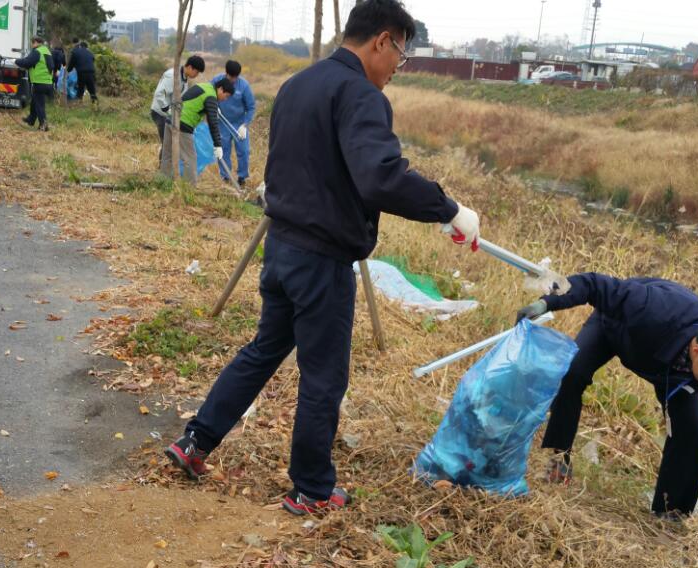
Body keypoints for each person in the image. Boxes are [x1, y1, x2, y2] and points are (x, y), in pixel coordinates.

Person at [165, 0, 482, 516]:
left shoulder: (298, 84)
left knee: (263, 350)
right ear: (382, 40)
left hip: (281, 246)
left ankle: (196, 441)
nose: (396, 71)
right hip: (321, 261)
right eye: (400, 56)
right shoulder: (361, 95)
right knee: (323, 376)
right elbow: (380, 175)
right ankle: (312, 489)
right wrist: (448, 208)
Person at [515, 274, 698, 557]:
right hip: (618, 331)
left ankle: (671, 515)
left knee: (689, 431)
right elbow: (594, 285)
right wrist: (546, 303)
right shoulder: (652, 307)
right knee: (572, 374)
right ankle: (559, 461)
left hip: (673, 371)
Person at [159, 77, 233, 184]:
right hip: (183, 125)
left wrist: (212, 107)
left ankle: (163, 182)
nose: (224, 99)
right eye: (226, 96)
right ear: (220, 89)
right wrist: (218, 145)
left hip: (171, 119)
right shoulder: (211, 96)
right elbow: (213, 123)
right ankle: (189, 189)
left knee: (167, 154)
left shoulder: (204, 86)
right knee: (190, 159)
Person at [212, 59, 256, 187]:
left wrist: (245, 125)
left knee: (244, 151)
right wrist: (213, 107)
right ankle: (225, 177)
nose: (233, 80)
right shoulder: (217, 81)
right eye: (231, 77)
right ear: (226, 74)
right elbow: (208, 95)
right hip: (222, 122)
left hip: (239, 124)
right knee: (223, 150)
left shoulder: (244, 86)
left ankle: (242, 177)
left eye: (236, 77)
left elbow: (251, 107)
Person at [151, 55, 205, 148]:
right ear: (190, 67)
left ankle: (169, 162)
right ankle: (164, 163)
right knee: (167, 144)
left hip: (170, 114)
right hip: (160, 113)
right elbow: (159, 94)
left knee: (173, 143)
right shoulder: (172, 75)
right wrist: (167, 110)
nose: (197, 75)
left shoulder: (184, 78)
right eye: (197, 72)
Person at [17, 36, 54, 131]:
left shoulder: (37, 51)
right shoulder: (46, 51)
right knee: (35, 101)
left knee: (39, 105)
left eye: (32, 43)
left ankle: (44, 125)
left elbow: (27, 62)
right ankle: (31, 119)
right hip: (48, 82)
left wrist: (15, 61)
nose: (31, 45)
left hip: (39, 82)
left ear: (36, 42)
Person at [68, 39, 97, 105]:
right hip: (91, 72)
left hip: (81, 73)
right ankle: (94, 103)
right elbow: (92, 60)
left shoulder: (75, 52)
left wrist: (68, 71)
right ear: (87, 47)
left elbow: (71, 63)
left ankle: (79, 102)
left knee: (80, 88)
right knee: (91, 88)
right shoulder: (90, 53)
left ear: (80, 46)